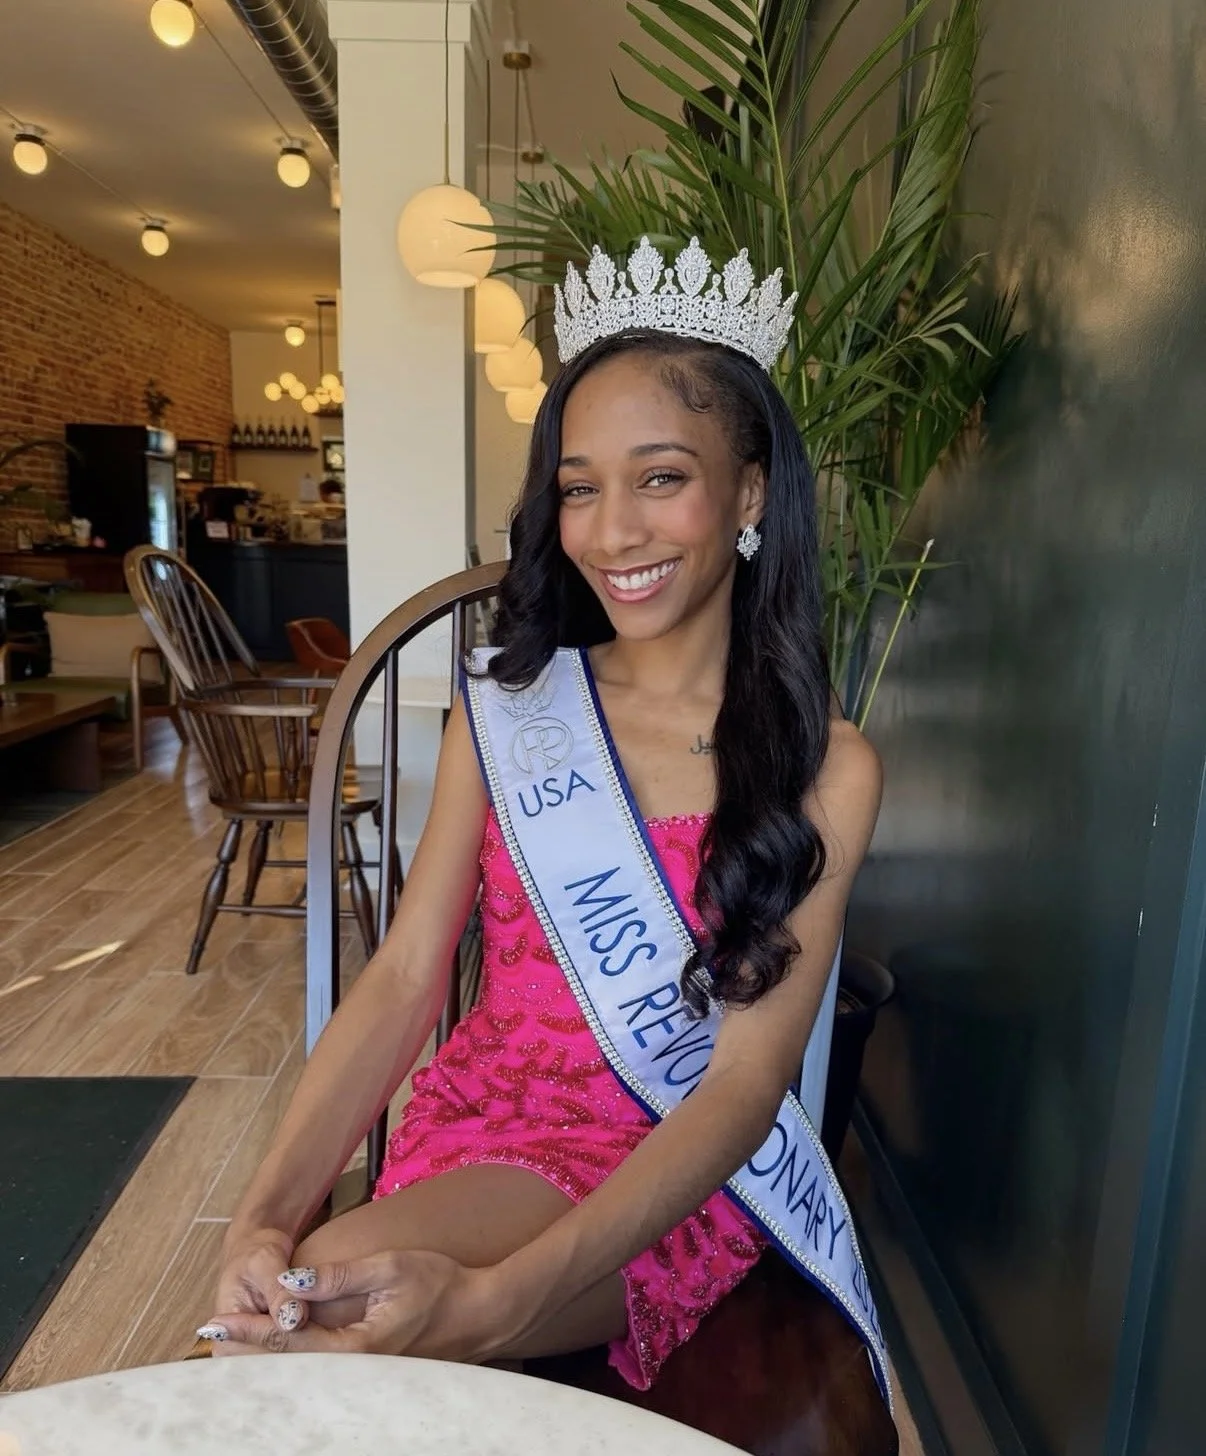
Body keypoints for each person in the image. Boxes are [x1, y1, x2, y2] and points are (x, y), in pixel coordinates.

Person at [198, 237, 887, 1398]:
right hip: (478, 1129)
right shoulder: (516, 712)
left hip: (677, 1166)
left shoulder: (829, 766)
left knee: (325, 1319)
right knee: (304, 1298)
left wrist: (493, 1302)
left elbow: (737, 1085)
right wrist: (256, 1221)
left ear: (752, 490)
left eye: (661, 476)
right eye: (578, 486)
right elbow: (408, 975)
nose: (613, 530)